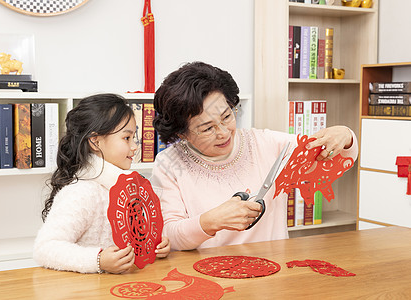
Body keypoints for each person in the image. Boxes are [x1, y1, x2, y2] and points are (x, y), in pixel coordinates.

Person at [151, 62, 358, 251]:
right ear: (181, 134)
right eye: (207, 129)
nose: (223, 132)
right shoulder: (169, 164)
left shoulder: (265, 143)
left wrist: (345, 136)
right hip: (207, 277)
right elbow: (170, 236)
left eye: (227, 116)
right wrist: (211, 221)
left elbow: (334, 160)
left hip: (273, 274)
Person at [33, 93, 170, 274]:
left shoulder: (130, 188)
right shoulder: (82, 192)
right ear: (95, 141)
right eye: (126, 138)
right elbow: (45, 248)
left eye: (134, 138)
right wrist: (98, 260)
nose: (135, 146)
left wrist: (155, 245)